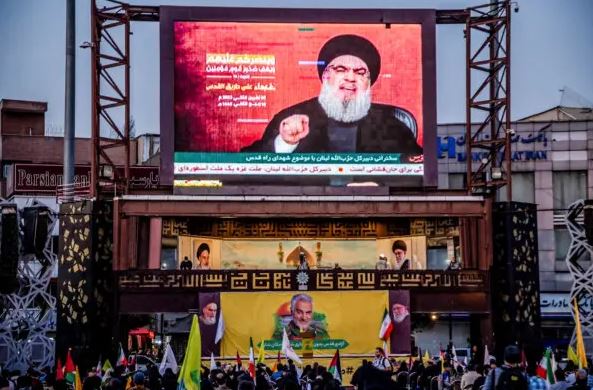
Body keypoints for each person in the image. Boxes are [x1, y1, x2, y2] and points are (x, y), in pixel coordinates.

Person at [242, 34, 422, 155]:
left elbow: (417, 169)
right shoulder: (292, 117)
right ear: (325, 76)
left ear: (369, 82)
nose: (351, 78)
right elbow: (248, 164)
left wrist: (379, 187)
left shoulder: (391, 125)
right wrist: (285, 143)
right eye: (341, 69)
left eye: (360, 73)